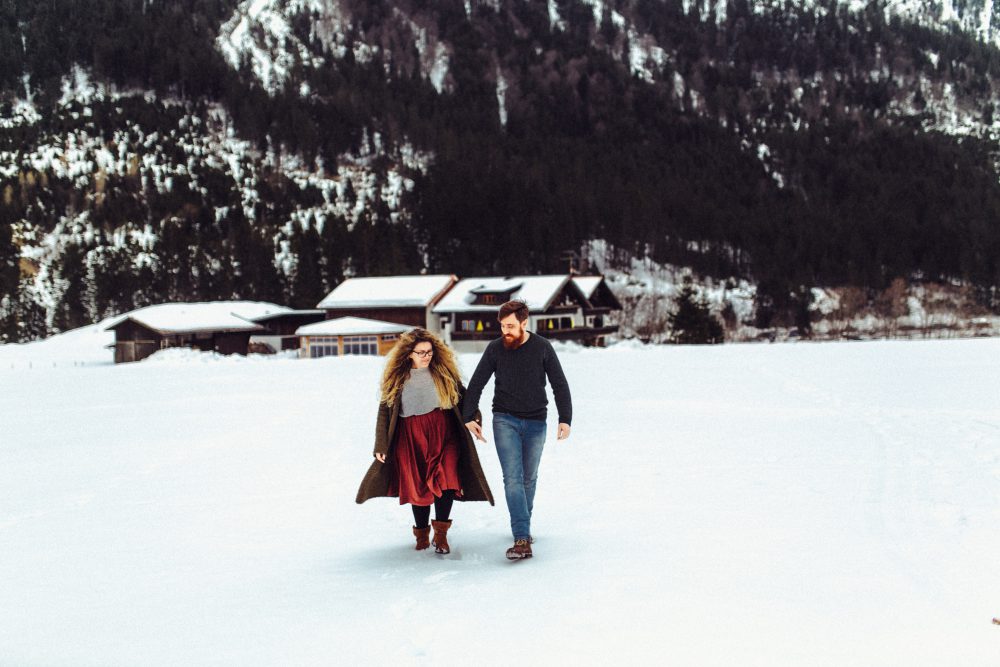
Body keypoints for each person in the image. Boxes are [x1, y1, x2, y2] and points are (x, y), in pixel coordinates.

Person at [356, 328, 493, 554]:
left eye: (429, 352)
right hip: (410, 437)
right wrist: (380, 444)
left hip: (444, 432)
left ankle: (441, 535)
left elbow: (465, 399)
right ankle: (421, 533)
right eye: (421, 352)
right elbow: (384, 412)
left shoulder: (443, 373)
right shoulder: (397, 379)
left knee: (448, 480)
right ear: (409, 353)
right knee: (418, 487)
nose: (426, 356)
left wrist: (474, 419)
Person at [462, 300, 572, 560]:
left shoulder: (542, 348)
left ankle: (523, 525)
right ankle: (521, 537)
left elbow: (560, 384)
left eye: (511, 326)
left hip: (536, 422)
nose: (505, 331)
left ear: (525, 323)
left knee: (528, 479)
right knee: (513, 477)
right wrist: (469, 416)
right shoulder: (495, 349)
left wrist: (565, 418)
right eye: (502, 326)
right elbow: (476, 383)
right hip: (505, 419)